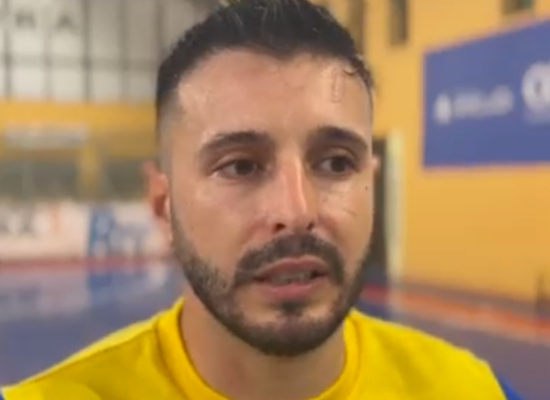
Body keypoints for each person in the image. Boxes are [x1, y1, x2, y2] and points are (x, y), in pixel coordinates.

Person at [2, 0, 527, 399]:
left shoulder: (469, 389)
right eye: (240, 166)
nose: (296, 212)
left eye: (336, 163)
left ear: (371, 183)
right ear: (163, 206)